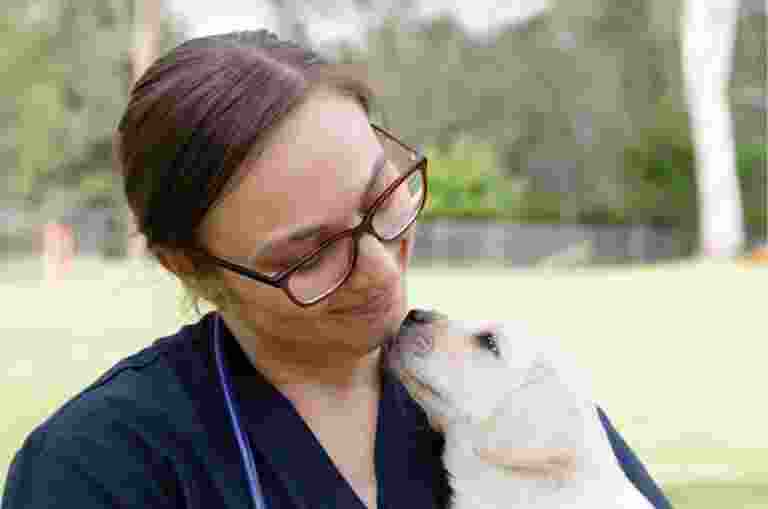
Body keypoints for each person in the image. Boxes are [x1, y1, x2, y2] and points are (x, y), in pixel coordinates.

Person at [2, 30, 672, 509]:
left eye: (382, 196)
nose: (381, 269)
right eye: (309, 253)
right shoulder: (100, 469)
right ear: (189, 265)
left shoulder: (503, 399)